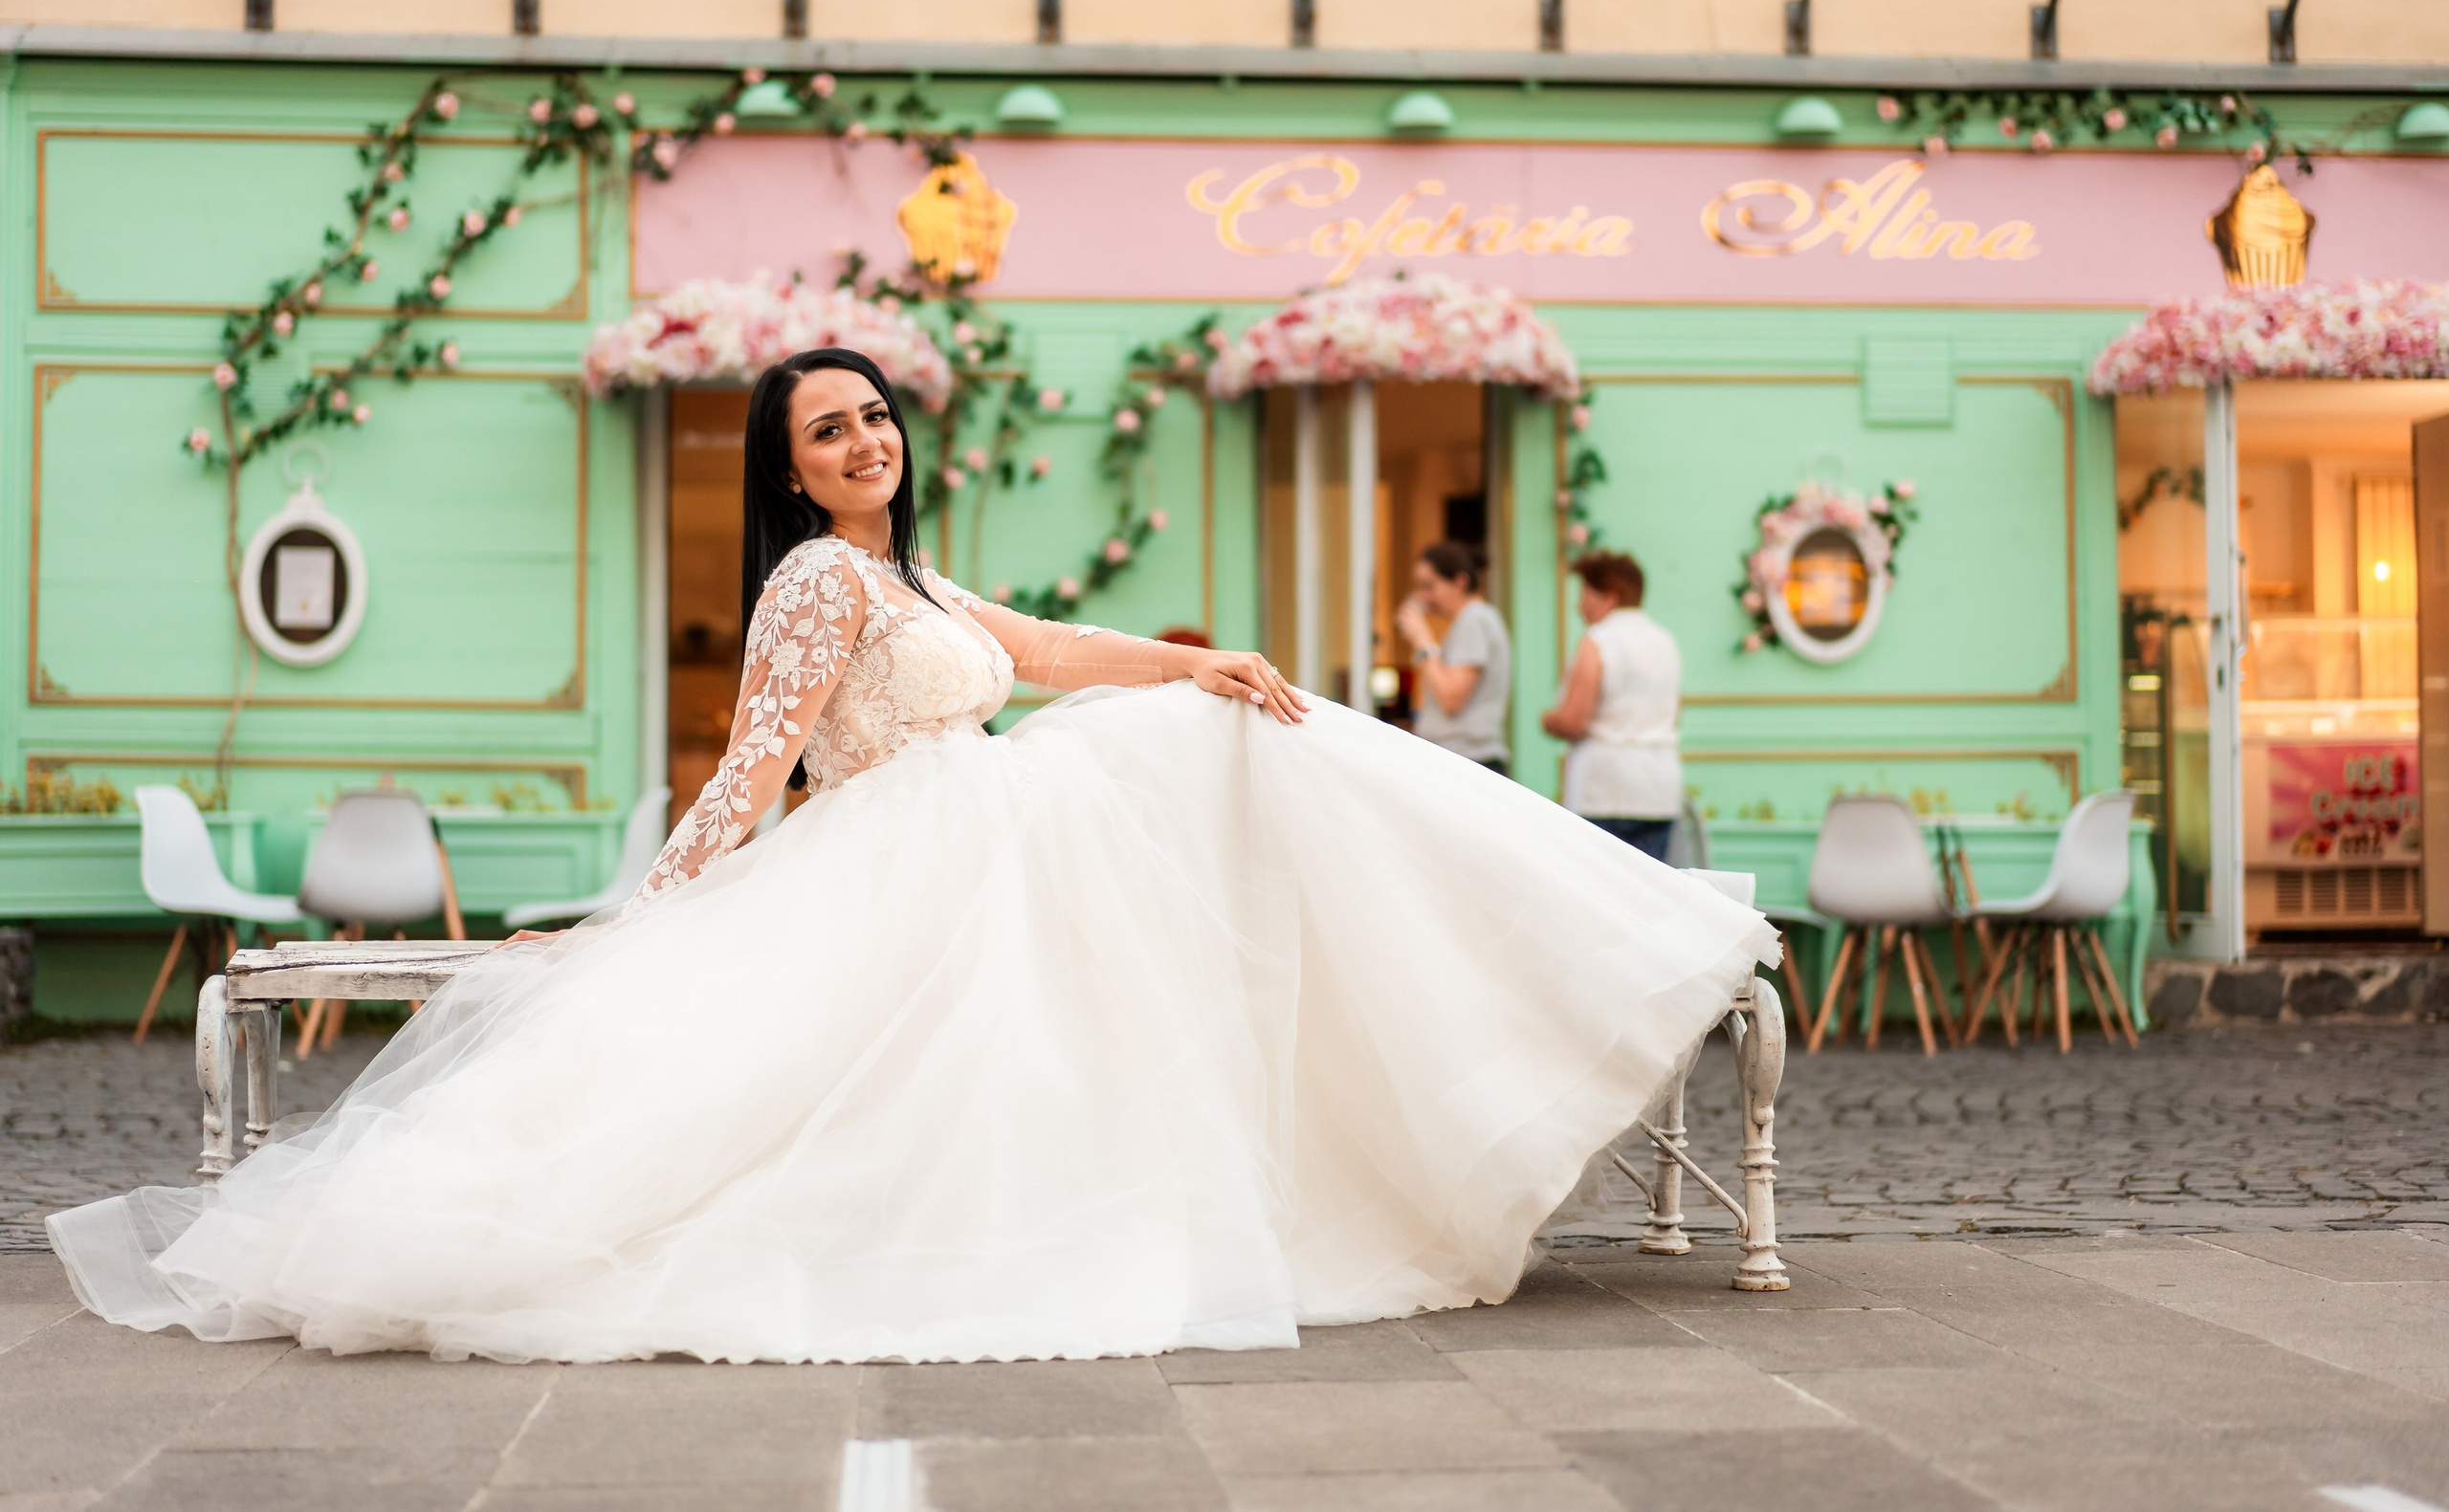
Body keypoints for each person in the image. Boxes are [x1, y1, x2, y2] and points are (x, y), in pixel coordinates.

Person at [50, 349, 1775, 1367]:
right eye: (828, 431)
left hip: (989, 833)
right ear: (790, 469)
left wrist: (1203, 660)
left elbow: (1048, 646)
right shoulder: (816, 580)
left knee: (1225, 734)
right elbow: (750, 773)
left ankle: (1524, 960)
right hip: (909, 854)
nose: (863, 441)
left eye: (873, 417)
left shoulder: (910, 576)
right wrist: (627, 919)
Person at [1542, 550, 1685, 862]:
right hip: (1659, 789)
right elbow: (1674, 715)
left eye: (1584, 595)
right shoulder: (1665, 641)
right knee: (1648, 885)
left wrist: (1548, 720)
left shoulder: (1598, 640)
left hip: (1605, 788)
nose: (1579, 606)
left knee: (1596, 884)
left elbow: (1573, 720)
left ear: (1609, 597)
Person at [1394, 541, 1512, 775]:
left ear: (1460, 582)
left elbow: (1452, 698)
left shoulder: (1474, 620)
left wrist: (1423, 641)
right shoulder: (1472, 620)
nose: (1424, 596)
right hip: (1465, 759)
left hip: (1469, 761)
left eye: (1429, 586)